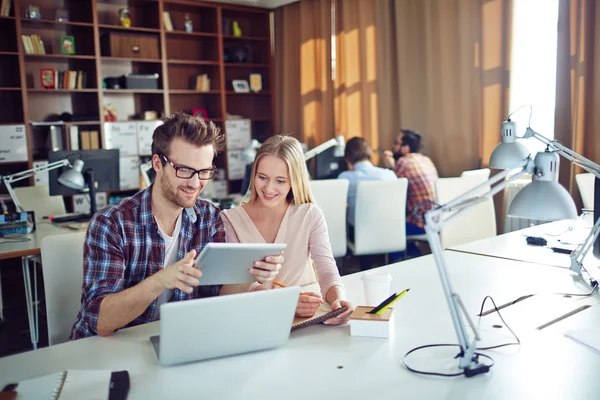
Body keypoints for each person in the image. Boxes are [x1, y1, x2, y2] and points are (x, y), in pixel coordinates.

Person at [70, 113, 282, 340]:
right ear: (157, 164)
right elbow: (101, 322)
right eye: (184, 170)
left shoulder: (209, 218)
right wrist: (161, 280)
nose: (194, 183)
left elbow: (217, 296)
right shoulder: (111, 223)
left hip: (176, 340)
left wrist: (248, 275)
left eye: (203, 172)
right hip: (107, 347)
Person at [220, 135, 353, 324]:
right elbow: (235, 285)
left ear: (294, 181)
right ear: (253, 174)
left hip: (308, 319)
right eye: (262, 177)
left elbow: (326, 270)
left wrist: (338, 300)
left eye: (280, 181)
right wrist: (285, 302)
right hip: (256, 318)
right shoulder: (230, 220)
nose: (268, 188)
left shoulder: (310, 214)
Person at [337, 137, 397, 270]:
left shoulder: (345, 178)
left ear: (347, 158)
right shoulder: (389, 175)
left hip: (360, 237)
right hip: (389, 232)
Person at [383, 130, 438, 235]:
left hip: (421, 222)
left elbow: (391, 192)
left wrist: (390, 167)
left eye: (396, 143)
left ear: (406, 147)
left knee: (389, 227)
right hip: (436, 220)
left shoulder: (403, 162)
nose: (393, 147)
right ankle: (414, 250)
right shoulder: (426, 159)